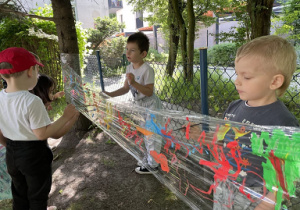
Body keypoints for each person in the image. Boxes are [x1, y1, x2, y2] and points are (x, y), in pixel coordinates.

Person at [190, 35, 299, 210]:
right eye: (237, 74)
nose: (237, 81)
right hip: (226, 184)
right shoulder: (234, 107)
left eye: (246, 77)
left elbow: (290, 172)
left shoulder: (282, 122)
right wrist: (202, 136)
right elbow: (222, 140)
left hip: (256, 196)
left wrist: (265, 205)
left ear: (275, 81)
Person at [0, 47, 80, 210]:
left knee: (20, 194)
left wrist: (10, 148)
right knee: (37, 196)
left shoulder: (1, 97)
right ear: (31, 71)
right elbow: (42, 133)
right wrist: (65, 116)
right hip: (34, 155)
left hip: (12, 153)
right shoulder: (32, 101)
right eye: (37, 70)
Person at [102, 32, 163, 175]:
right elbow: (125, 88)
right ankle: (150, 159)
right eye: (127, 49)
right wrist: (110, 94)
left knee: (152, 135)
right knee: (146, 133)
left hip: (151, 106)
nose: (128, 52)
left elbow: (149, 92)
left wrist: (134, 82)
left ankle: (153, 166)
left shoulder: (147, 70)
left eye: (132, 50)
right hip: (141, 106)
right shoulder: (129, 67)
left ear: (143, 53)